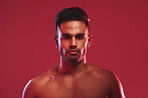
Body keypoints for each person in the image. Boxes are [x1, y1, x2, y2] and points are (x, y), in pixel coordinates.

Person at [22, 7, 126, 98]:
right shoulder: (37, 88)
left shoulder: (107, 81)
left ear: (88, 41)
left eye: (79, 37)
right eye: (66, 37)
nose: (73, 44)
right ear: (56, 41)